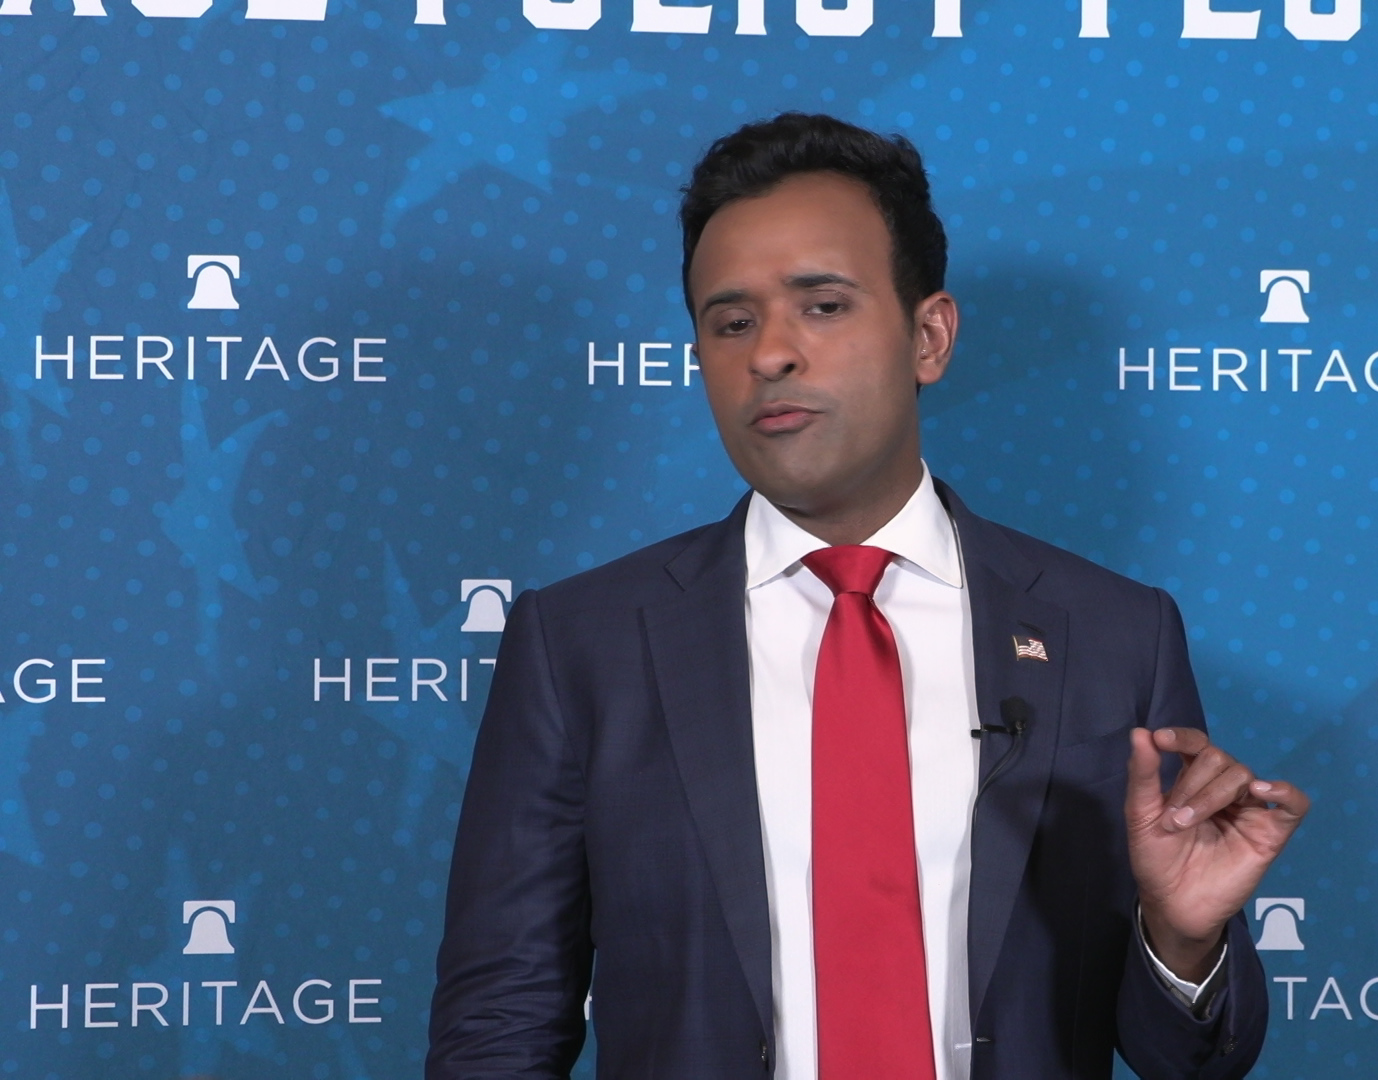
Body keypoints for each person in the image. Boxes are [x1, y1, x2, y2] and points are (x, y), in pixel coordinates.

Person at [426, 112, 1310, 1080]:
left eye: (822, 307)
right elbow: (500, 1020)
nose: (770, 354)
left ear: (929, 336)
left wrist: (1180, 943)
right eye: (730, 322)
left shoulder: (1116, 635)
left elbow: (1190, 1060)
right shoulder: (581, 643)